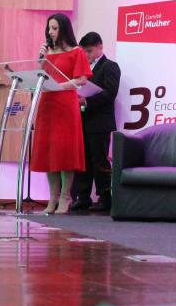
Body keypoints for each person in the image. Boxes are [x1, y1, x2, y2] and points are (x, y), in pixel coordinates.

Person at [31, 13, 92, 214]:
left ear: (64, 29)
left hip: (66, 104)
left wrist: (60, 86)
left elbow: (81, 79)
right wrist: (41, 59)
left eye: (55, 28)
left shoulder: (77, 51)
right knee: (49, 152)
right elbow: (41, 76)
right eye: (49, 28)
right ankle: (53, 198)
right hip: (47, 104)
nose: (50, 32)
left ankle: (66, 197)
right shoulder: (48, 52)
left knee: (65, 152)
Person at [71, 32, 121, 212]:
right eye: (83, 52)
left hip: (100, 122)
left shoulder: (110, 66)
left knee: (99, 160)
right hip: (82, 121)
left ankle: (105, 197)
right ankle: (83, 196)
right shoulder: (82, 69)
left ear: (100, 47)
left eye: (89, 51)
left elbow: (110, 93)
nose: (86, 55)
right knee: (82, 161)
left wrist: (87, 101)